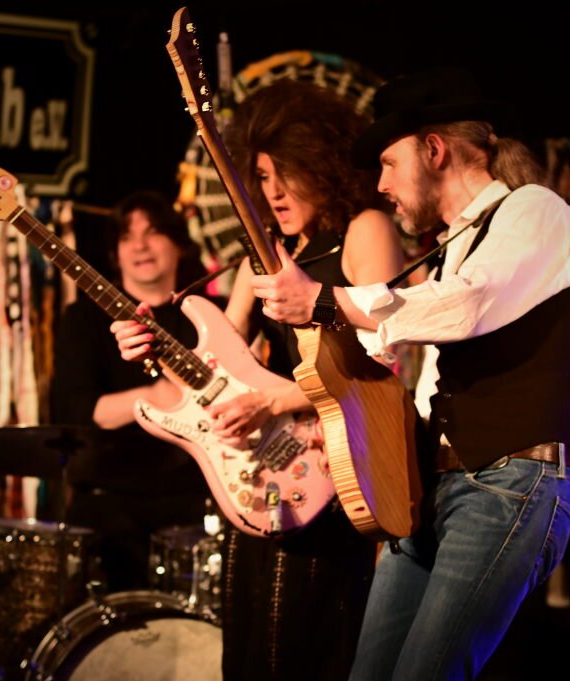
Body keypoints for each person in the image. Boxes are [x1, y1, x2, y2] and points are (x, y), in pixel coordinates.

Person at [249, 67, 570, 681]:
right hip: (434, 491)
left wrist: (324, 299)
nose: (380, 184)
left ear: (434, 150)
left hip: (511, 484)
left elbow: (466, 305)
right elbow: (407, 362)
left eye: (389, 162)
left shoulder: (536, 210)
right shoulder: (450, 248)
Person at [112, 79, 405, 681]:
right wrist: (151, 350)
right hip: (263, 473)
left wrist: (273, 401)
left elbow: (379, 361)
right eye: (262, 177)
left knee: (302, 650)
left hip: (336, 463)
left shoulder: (366, 230)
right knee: (248, 654)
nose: (271, 192)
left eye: (284, 173)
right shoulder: (264, 250)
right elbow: (223, 363)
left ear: (322, 163)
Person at [49, 190, 211, 592]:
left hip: (196, 501)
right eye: (127, 237)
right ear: (115, 254)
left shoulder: (215, 317)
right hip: (109, 504)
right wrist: (152, 397)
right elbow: (73, 411)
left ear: (179, 244)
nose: (140, 245)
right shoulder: (83, 319)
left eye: (152, 232)